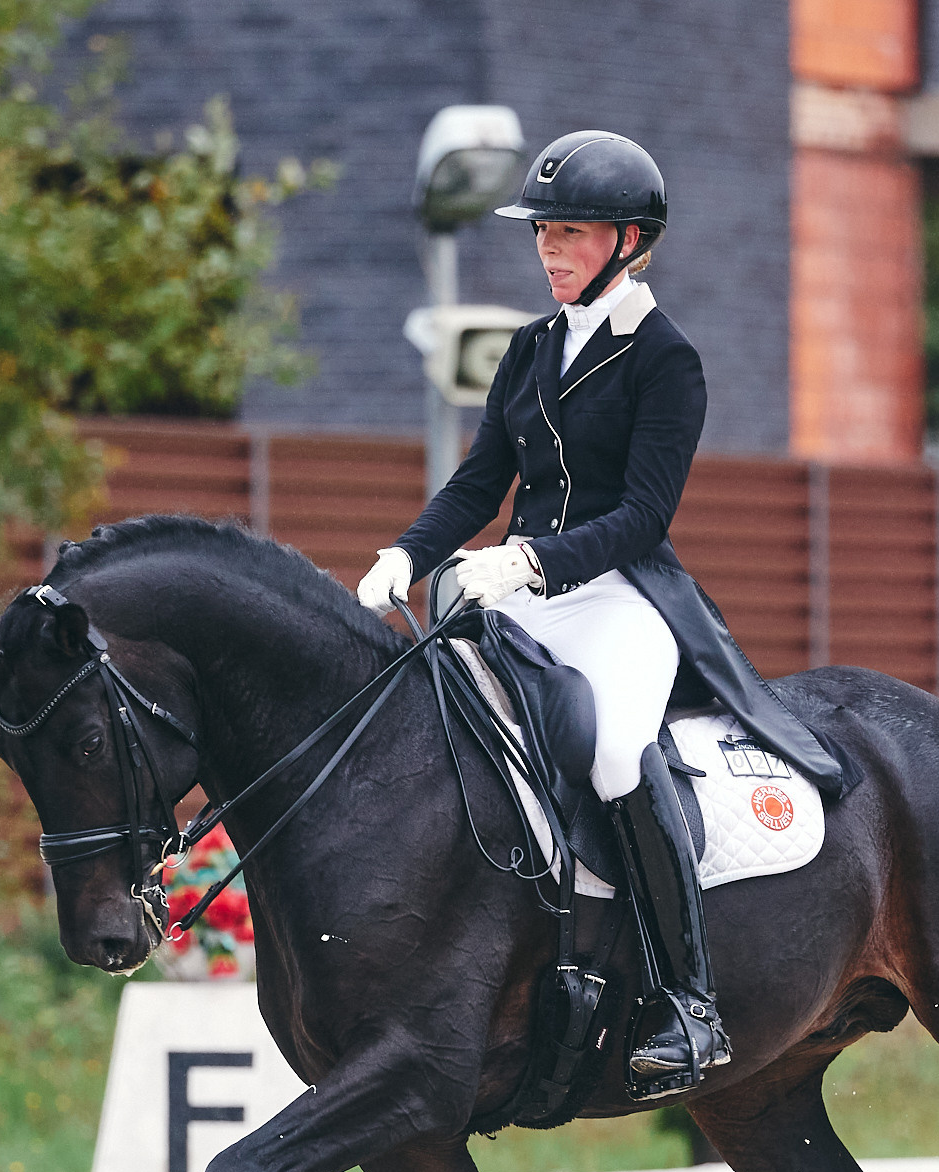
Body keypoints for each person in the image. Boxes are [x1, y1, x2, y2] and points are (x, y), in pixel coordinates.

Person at [356, 130, 846, 1100]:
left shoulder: (667, 361)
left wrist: (529, 559)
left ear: (629, 240)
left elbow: (640, 518)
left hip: (617, 600)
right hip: (516, 599)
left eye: (569, 234)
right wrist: (405, 554)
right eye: (543, 233)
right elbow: (479, 479)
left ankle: (688, 1001)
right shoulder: (530, 349)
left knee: (616, 754)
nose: (549, 251)